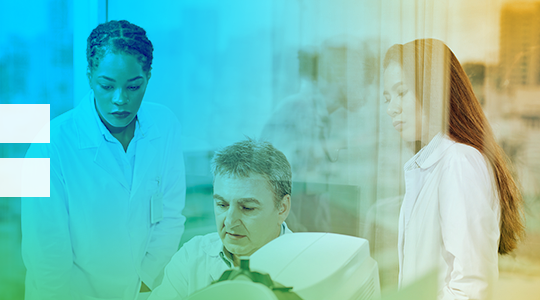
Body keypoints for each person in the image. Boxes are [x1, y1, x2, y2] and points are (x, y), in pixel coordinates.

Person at [22, 20, 186, 300]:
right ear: (89, 76)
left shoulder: (165, 124)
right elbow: (46, 253)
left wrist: (145, 284)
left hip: (143, 290)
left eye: (133, 87)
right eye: (107, 86)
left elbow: (171, 216)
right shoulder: (48, 146)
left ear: (148, 77)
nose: (120, 99)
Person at [382, 38, 524, 299]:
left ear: (433, 91)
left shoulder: (459, 162)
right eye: (387, 98)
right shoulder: (433, 164)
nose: (391, 108)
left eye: (401, 92)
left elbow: (472, 287)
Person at [148, 139, 292, 300]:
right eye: (222, 205)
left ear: (282, 208)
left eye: (247, 208)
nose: (229, 222)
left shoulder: (310, 265)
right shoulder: (192, 257)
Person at [260, 38, 377, 232]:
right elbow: (274, 183)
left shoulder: (324, 117)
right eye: (365, 82)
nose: (368, 93)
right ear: (344, 78)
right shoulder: (297, 110)